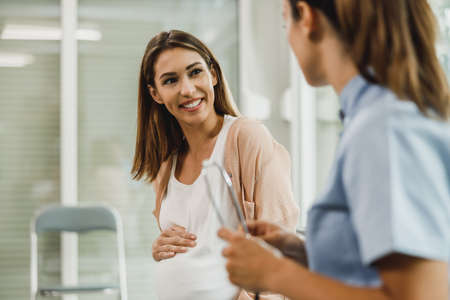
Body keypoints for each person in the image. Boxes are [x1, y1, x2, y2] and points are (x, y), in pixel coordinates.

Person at [218, 1, 450, 299]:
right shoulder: (378, 117)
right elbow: (378, 275)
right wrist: (307, 255)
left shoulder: (382, 128)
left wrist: (275, 274)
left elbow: (419, 295)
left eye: (285, 22)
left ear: (308, 17)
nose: (287, 37)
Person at [131, 29, 299, 300]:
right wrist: (161, 248)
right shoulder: (165, 166)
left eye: (195, 72)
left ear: (213, 74)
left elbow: (279, 248)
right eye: (171, 80)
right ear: (156, 94)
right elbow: (193, 247)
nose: (187, 89)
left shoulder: (246, 138)